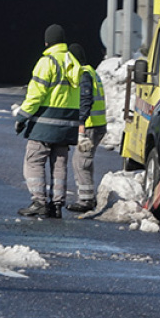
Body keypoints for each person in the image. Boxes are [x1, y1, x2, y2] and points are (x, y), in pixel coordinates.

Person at [14, 24, 82, 218]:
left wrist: (22, 117)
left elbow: (36, 94)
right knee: (59, 164)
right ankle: (57, 205)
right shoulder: (73, 63)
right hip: (67, 125)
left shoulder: (47, 62)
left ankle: (39, 201)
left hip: (45, 124)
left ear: (47, 42)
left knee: (34, 160)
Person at [66, 43, 108, 213]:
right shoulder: (91, 71)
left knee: (80, 162)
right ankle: (88, 196)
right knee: (86, 161)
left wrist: (80, 123)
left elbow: (85, 98)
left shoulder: (83, 74)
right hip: (97, 124)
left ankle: (85, 201)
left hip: (90, 125)